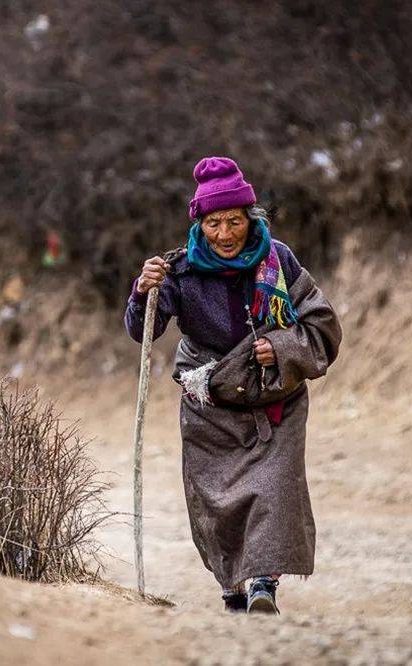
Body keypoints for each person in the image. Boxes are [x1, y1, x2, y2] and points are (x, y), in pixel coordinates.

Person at [124, 156, 342, 614]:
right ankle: (233, 586)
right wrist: (145, 291)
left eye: (235, 221)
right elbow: (142, 329)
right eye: (214, 223)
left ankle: (264, 583)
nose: (225, 234)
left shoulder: (278, 260)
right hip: (210, 405)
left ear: (251, 218)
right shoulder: (177, 270)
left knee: (273, 490)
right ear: (200, 223)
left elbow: (321, 324)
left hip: (272, 403)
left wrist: (281, 348)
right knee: (218, 505)